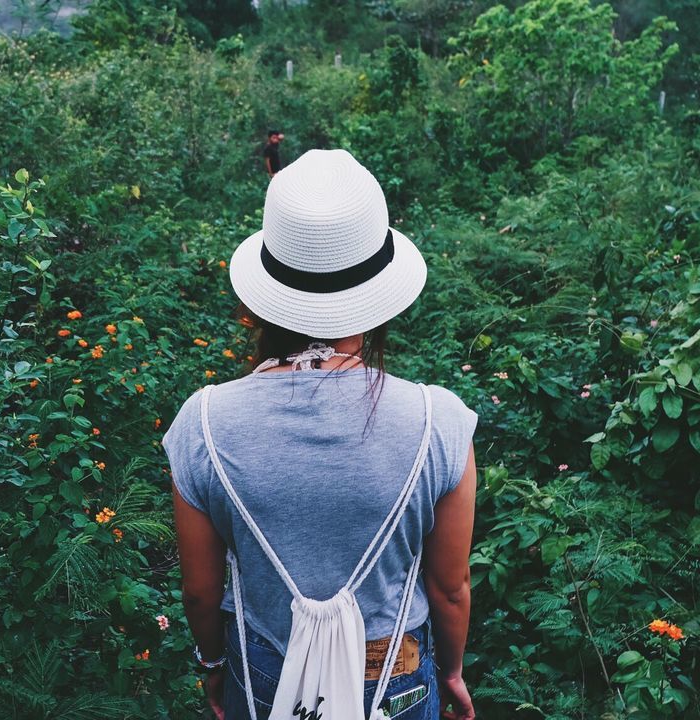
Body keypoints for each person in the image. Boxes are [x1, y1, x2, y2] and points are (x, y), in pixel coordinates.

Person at [162, 149, 478, 720]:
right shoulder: (439, 421)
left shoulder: (203, 423)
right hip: (394, 674)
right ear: (378, 294)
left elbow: (201, 592)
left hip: (263, 673)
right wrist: (451, 671)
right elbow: (450, 588)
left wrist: (213, 670)